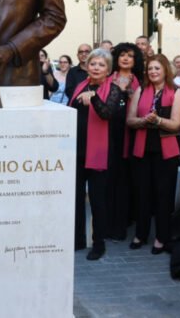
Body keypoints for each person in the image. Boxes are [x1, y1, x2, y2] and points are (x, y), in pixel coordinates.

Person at [69, 49, 126, 260]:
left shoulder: (114, 90)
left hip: (99, 152)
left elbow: (107, 113)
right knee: (75, 197)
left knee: (97, 200)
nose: (96, 67)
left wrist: (93, 98)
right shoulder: (80, 86)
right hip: (76, 149)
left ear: (108, 70)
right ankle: (77, 239)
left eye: (101, 65)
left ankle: (98, 243)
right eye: (93, 63)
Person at [126, 54, 180, 254]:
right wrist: (144, 121)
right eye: (150, 68)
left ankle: (161, 238)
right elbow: (130, 120)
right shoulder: (140, 90)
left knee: (163, 196)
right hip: (142, 150)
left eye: (157, 68)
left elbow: (176, 124)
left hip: (166, 153)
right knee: (141, 194)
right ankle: (140, 235)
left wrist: (158, 120)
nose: (153, 72)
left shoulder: (176, 92)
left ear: (165, 70)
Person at [105, 42, 142, 241]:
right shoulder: (108, 78)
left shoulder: (139, 81)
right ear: (116, 58)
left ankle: (124, 221)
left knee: (126, 180)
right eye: (122, 55)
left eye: (130, 55)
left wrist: (127, 93)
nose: (126, 59)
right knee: (110, 178)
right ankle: (107, 221)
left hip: (131, 132)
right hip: (110, 131)